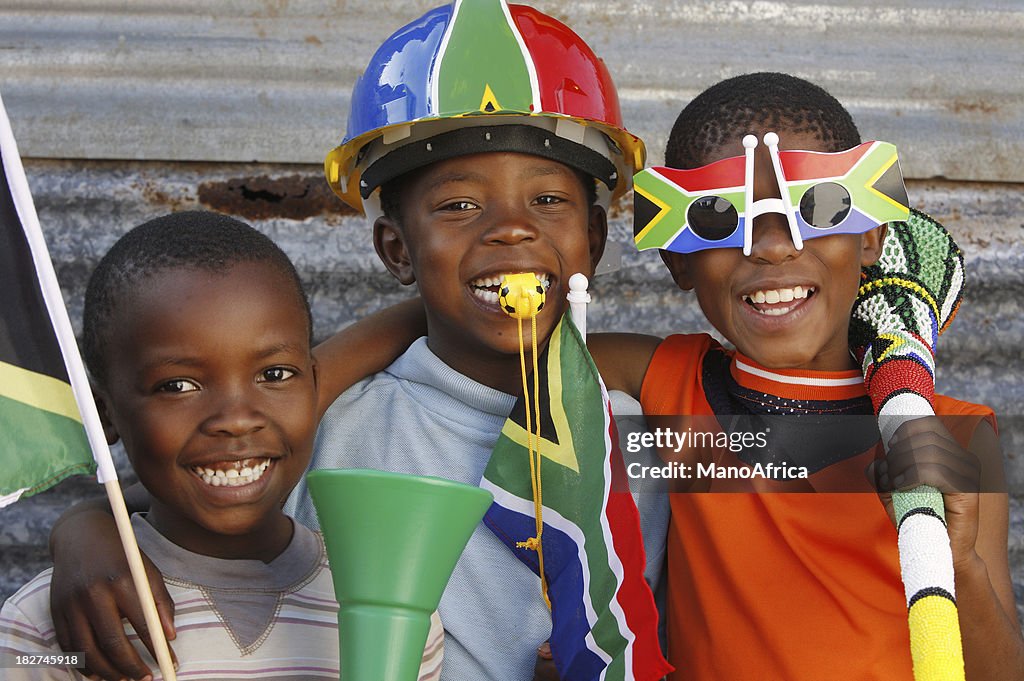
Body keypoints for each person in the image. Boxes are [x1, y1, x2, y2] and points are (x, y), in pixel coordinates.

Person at [44, 3, 671, 681]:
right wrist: (86, 526)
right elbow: (204, 475)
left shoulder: (652, 434)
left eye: (548, 200)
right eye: (459, 204)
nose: (511, 229)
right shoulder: (341, 425)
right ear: (396, 249)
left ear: (597, 241)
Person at [590, 72, 1023, 680]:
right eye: (720, 216)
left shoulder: (953, 437)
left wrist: (957, 562)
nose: (771, 246)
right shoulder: (664, 385)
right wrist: (406, 317)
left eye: (816, 206)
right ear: (677, 259)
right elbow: (500, 343)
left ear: (870, 234)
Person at [0, 211, 443, 680]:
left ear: (315, 386)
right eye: (178, 385)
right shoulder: (49, 631)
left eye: (274, 375)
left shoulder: (394, 608)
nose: (236, 420)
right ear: (104, 413)